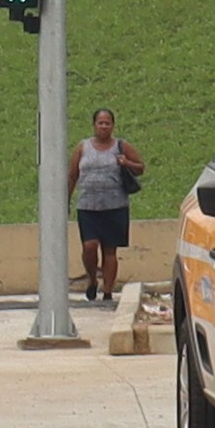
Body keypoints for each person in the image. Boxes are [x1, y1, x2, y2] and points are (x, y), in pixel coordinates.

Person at [71, 107, 144, 306]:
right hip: (88, 206)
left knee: (110, 251)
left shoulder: (121, 146)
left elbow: (140, 168)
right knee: (89, 246)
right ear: (94, 125)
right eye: (100, 123)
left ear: (113, 125)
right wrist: (67, 200)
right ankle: (93, 279)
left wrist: (126, 162)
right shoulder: (82, 147)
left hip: (115, 206)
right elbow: (72, 175)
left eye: (107, 123)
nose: (104, 126)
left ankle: (108, 292)